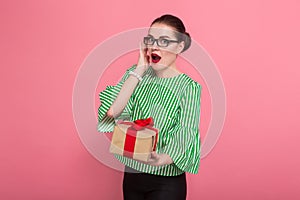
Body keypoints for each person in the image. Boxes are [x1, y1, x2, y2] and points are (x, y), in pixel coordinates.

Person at [97, 14, 202, 200]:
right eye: (151, 40)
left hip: (167, 180)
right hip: (132, 175)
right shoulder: (135, 76)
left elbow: (186, 132)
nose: (154, 46)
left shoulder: (189, 87)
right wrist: (138, 70)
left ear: (180, 46)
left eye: (164, 41)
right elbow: (113, 112)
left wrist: (161, 159)